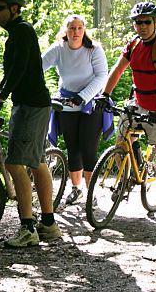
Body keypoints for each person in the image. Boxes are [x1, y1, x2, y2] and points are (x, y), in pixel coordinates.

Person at [0, 0, 60, 247]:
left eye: (0, 8)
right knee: (37, 162)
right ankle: (48, 224)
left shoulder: (22, 32)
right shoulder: (17, 33)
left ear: (15, 8)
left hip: (30, 106)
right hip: (32, 104)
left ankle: (28, 228)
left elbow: (18, 71)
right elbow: (12, 74)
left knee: (15, 163)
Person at [102, 1, 156, 228]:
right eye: (138, 22)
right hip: (137, 102)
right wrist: (104, 95)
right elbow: (117, 70)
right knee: (120, 143)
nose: (142, 26)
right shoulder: (133, 44)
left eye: (147, 22)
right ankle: (130, 172)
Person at [41, 14, 109, 205]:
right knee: (72, 148)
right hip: (66, 104)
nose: (75, 32)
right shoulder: (59, 49)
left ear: (84, 30)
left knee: (88, 149)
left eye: (79, 28)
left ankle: (91, 193)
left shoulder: (94, 50)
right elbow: (38, 67)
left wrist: (82, 96)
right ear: (66, 30)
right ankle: (76, 188)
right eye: (72, 28)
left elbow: (101, 76)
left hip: (90, 105)